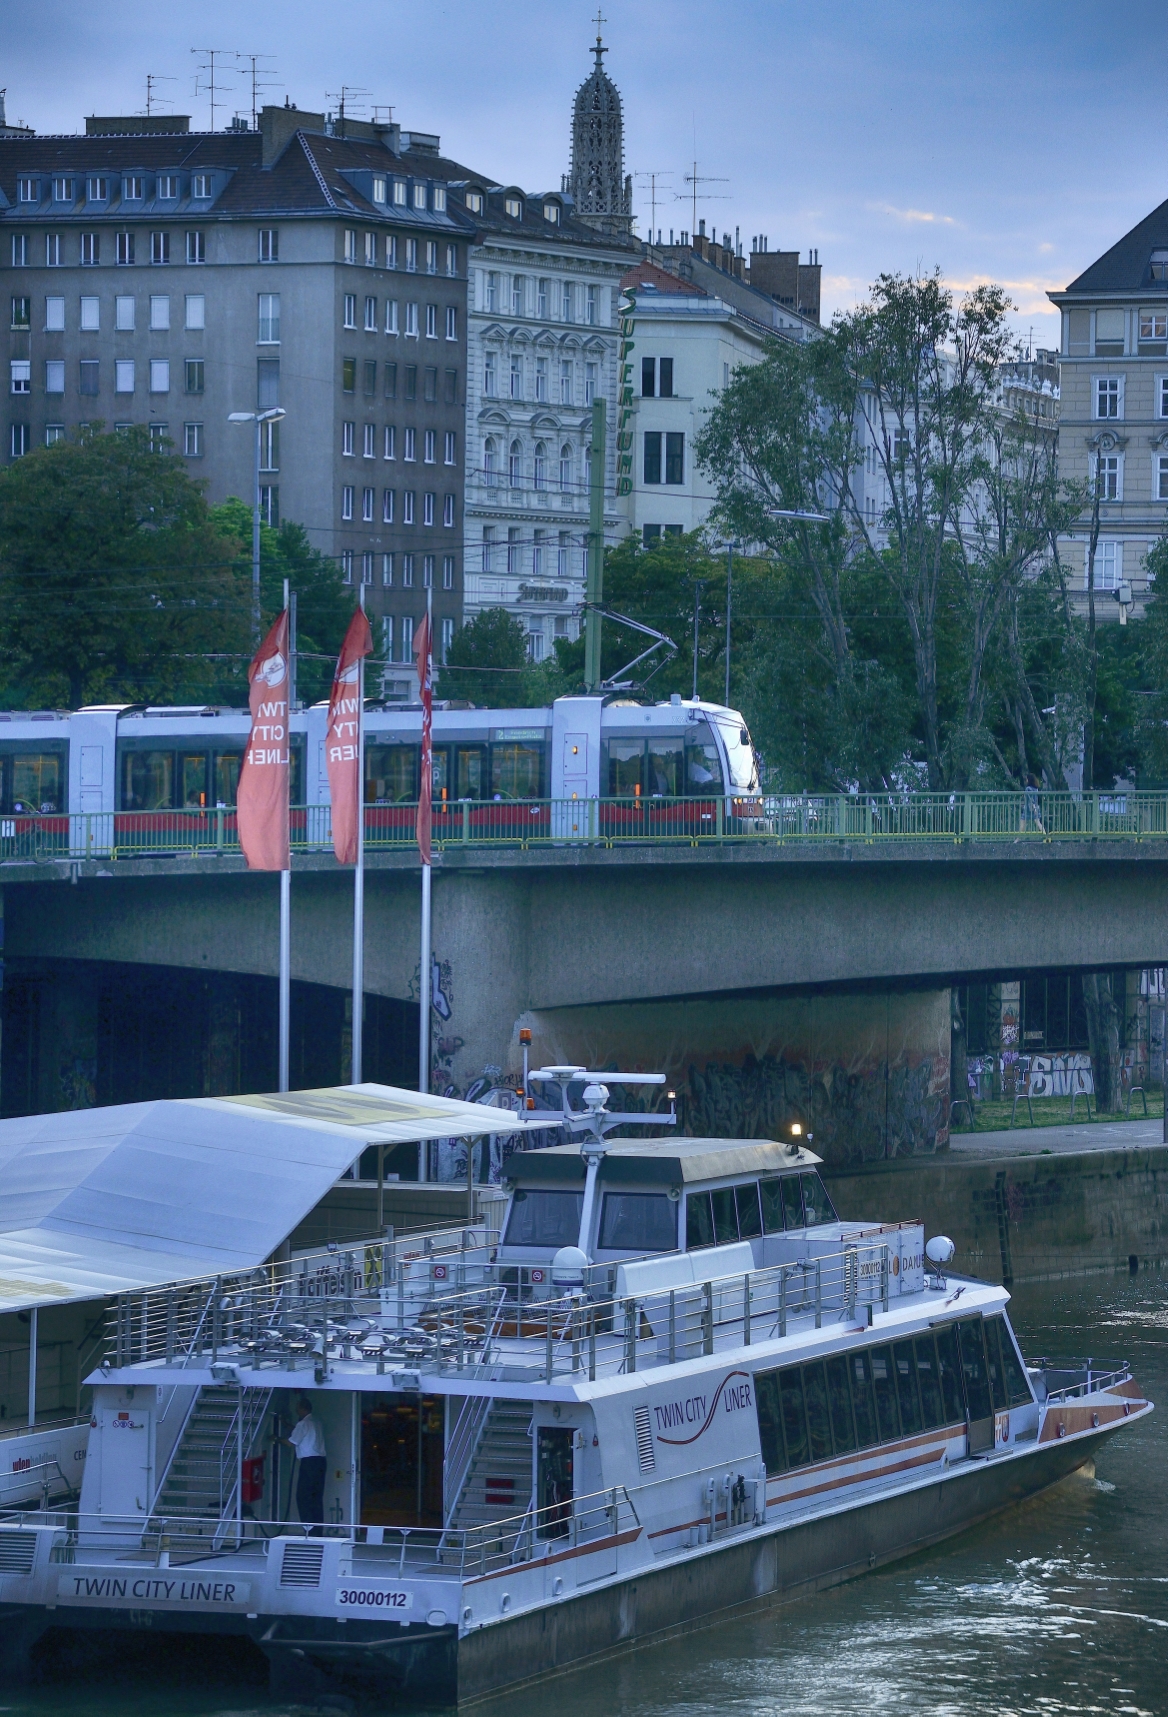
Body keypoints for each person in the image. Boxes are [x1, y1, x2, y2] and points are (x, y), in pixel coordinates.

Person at [277, 1396, 327, 1532]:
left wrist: (276, 1439)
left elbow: (290, 1442)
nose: (296, 1410)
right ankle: (318, 1530)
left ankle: (308, 1528)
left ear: (301, 1409)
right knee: (316, 1497)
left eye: (297, 1408)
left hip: (309, 1462)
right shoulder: (316, 1421)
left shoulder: (302, 1424)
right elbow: (303, 1434)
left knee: (303, 1496)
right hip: (321, 1462)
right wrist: (287, 1425)